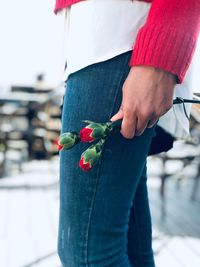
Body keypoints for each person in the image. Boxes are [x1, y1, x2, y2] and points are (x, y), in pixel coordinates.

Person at [54, 0, 200, 266]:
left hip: (120, 37)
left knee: (87, 254)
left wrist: (164, 47)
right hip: (101, 36)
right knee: (128, 249)